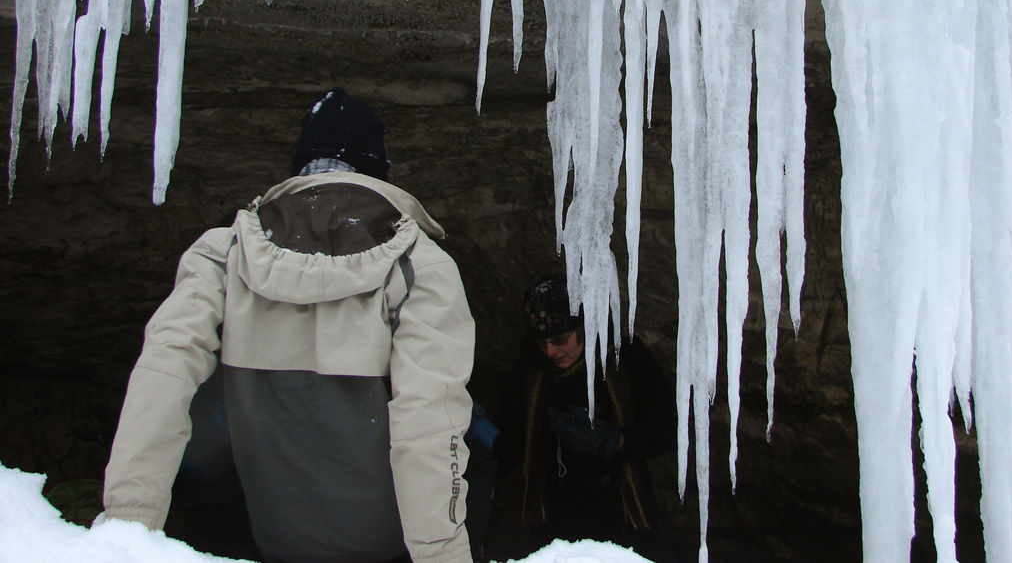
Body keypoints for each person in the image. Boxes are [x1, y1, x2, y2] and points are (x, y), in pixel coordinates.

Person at [102, 87, 475, 563]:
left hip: (273, 533)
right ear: (377, 170)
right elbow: (429, 418)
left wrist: (129, 524)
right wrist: (443, 556)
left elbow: (162, 376)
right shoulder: (420, 264)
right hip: (386, 540)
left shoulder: (224, 252)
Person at [491, 274, 675, 559]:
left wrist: (615, 440)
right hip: (555, 519)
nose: (550, 351)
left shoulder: (625, 358)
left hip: (621, 516)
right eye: (542, 342)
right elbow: (509, 441)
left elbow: (670, 428)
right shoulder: (529, 372)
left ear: (585, 327)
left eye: (560, 339)